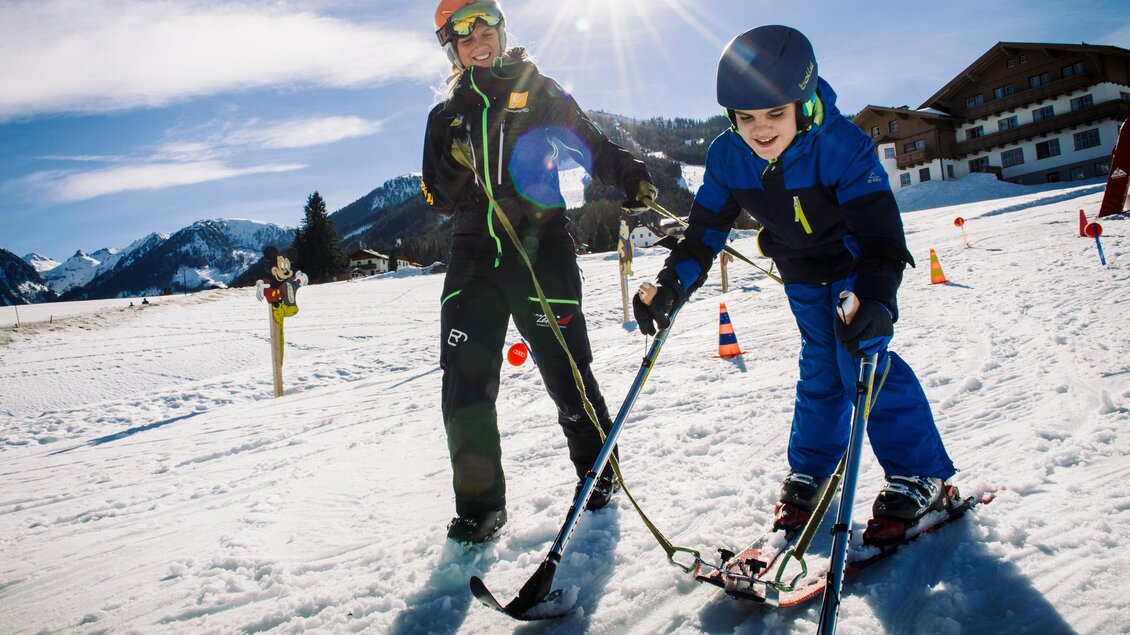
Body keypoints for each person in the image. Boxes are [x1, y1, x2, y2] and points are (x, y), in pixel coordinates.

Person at [633, 25, 955, 540]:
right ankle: (812, 467)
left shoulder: (842, 146)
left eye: (774, 114)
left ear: (803, 105)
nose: (760, 130)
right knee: (820, 365)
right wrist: (672, 284)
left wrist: (876, 300)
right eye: (745, 118)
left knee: (863, 363)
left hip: (855, 265)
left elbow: (881, 236)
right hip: (801, 271)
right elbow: (704, 235)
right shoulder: (727, 156)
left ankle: (922, 474)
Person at [422, 0, 658, 544]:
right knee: (464, 384)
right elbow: (436, 196)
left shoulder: (540, 89)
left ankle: (598, 474)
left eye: (486, 28)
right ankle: (480, 507)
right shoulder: (445, 116)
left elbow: (592, 144)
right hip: (473, 256)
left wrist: (630, 175)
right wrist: (456, 164)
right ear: (451, 48)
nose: (478, 40)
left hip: (540, 247)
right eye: (464, 35)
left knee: (566, 369)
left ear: (502, 30)